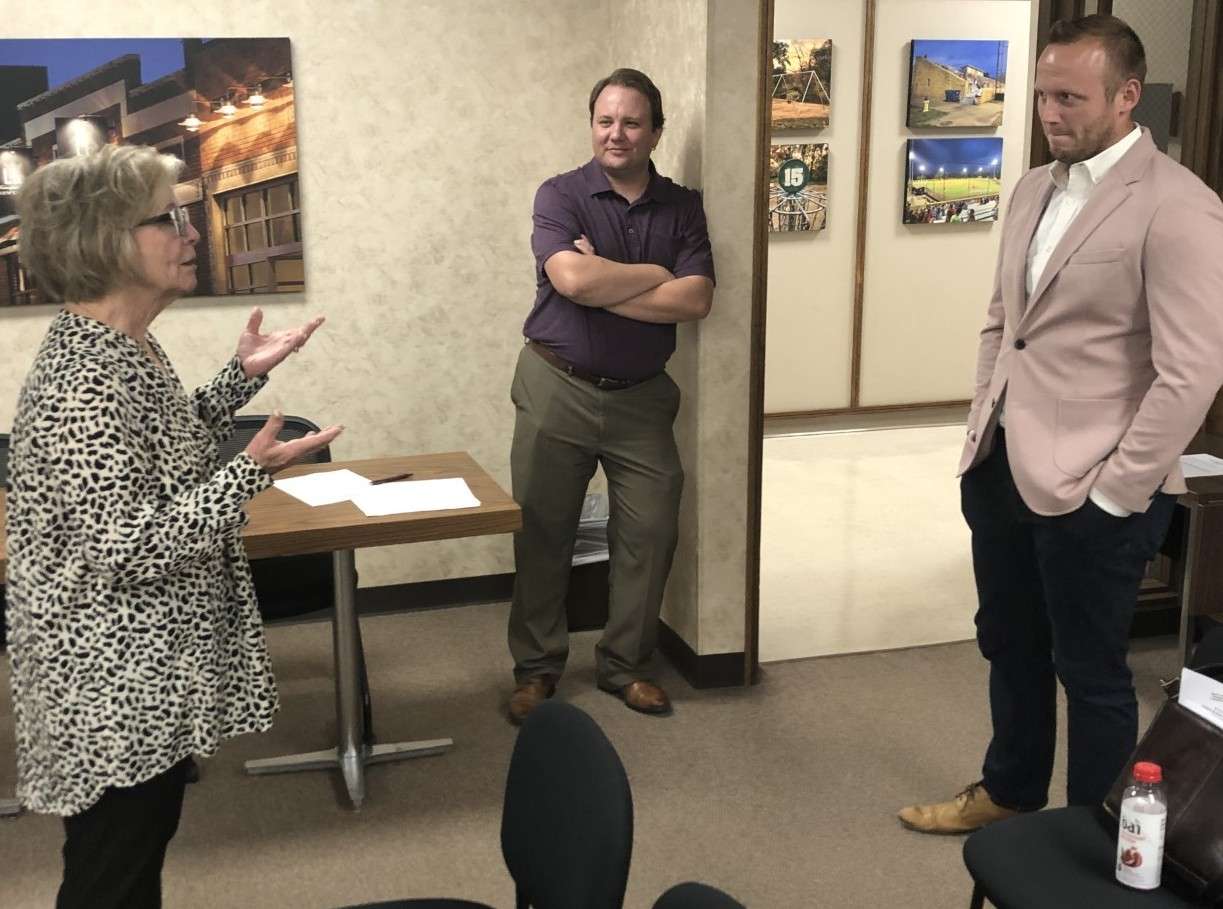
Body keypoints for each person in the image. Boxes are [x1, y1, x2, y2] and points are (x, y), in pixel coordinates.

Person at [899, 14, 1223, 835]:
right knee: (1008, 643)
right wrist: (981, 427)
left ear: (1124, 96)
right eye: (1041, 94)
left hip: (1096, 487)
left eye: (1069, 97)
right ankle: (1009, 788)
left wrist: (1118, 491)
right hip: (1002, 465)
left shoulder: (1179, 206)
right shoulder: (1032, 187)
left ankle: (1090, 837)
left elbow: (1191, 371)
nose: (1049, 112)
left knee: (1091, 673)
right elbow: (1002, 322)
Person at [5, 143, 341, 908]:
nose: (191, 233)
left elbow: (162, 449)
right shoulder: (80, 379)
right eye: (170, 218)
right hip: (110, 684)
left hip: (140, 669)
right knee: (111, 874)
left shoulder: (122, 346)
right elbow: (130, 544)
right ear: (109, 241)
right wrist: (250, 470)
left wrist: (235, 380)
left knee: (132, 858)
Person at [506, 68, 715, 724]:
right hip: (554, 386)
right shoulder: (560, 195)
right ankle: (537, 667)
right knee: (545, 530)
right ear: (590, 124)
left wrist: (610, 276)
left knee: (649, 532)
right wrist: (655, 275)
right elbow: (569, 279)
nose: (615, 133)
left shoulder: (682, 205)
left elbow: (697, 297)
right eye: (604, 120)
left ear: (655, 131)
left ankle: (624, 665)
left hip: (642, 397)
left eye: (630, 122)